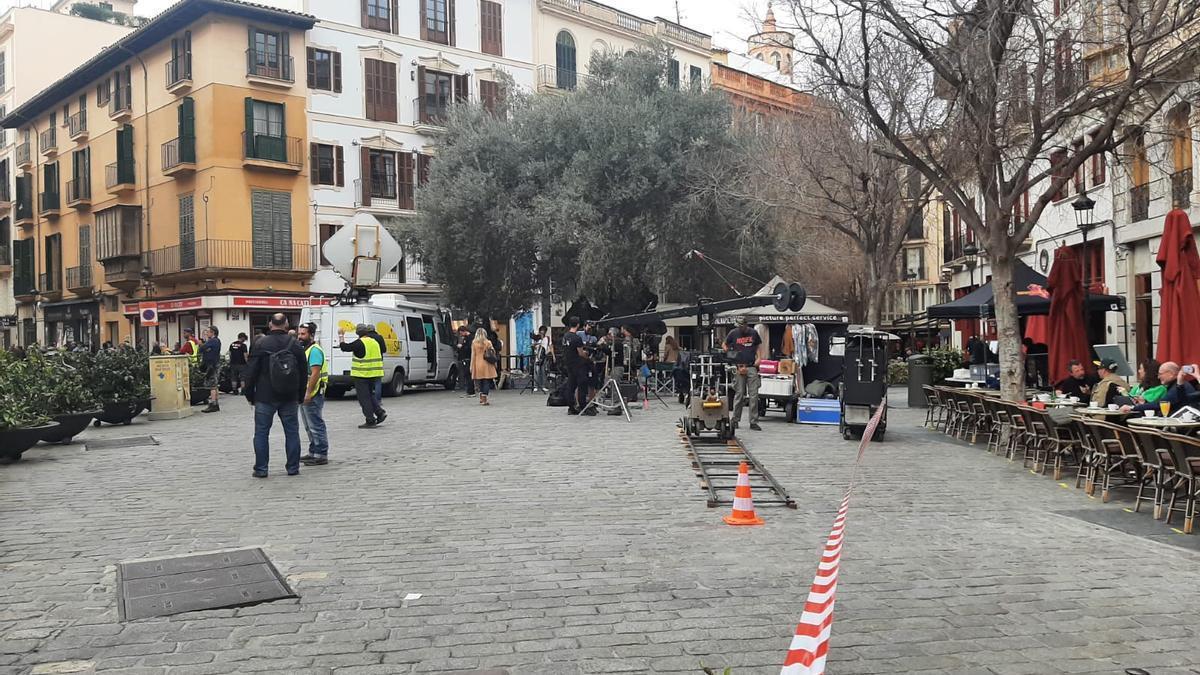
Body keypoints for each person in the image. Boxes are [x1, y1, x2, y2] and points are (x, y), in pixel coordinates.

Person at [242, 313, 308, 478]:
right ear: (286, 325)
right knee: (292, 432)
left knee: (261, 433)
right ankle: (293, 467)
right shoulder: (295, 344)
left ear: (270, 324)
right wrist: (300, 395)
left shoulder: (260, 344)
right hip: (289, 395)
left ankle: (261, 469)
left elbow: (251, 372)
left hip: (265, 395)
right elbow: (302, 372)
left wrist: (250, 395)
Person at [338, 323, 387, 428]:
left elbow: (345, 347)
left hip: (362, 374)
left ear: (357, 333)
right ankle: (380, 412)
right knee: (370, 395)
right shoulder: (374, 342)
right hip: (374, 374)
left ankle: (370, 420)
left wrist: (341, 336)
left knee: (364, 398)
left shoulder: (359, 343)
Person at [297, 322, 330, 466]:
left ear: (311, 335)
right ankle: (313, 451)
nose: (300, 336)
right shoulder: (307, 349)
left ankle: (321, 454)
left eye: (303, 334)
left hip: (313, 393)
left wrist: (308, 393)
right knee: (309, 425)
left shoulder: (315, 350)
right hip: (306, 392)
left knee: (315, 425)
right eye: (299, 333)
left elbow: (315, 373)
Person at [725, 316, 763, 431]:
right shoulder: (733, 333)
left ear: (745, 325)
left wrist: (759, 358)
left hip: (751, 366)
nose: (740, 329)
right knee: (739, 394)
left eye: (741, 326)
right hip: (739, 366)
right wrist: (730, 354)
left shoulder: (753, 333)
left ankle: (753, 421)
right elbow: (725, 344)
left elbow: (758, 346)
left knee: (754, 395)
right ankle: (735, 419)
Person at [1121, 362, 1197, 414]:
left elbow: (1161, 404)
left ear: (1171, 374)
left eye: (1160, 374)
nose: (1158, 377)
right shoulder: (1176, 386)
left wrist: (1132, 408)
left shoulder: (1177, 387)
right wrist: (1145, 403)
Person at [563, 316, 593, 415]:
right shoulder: (577, 338)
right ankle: (583, 406)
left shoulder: (565, 336)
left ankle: (571, 407)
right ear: (578, 325)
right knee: (582, 386)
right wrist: (587, 356)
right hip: (578, 365)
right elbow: (580, 353)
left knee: (571, 386)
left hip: (569, 364)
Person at [471, 328, 499, 405]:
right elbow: (492, 352)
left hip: (477, 363)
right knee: (486, 381)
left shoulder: (474, 343)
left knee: (479, 382)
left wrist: (471, 366)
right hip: (487, 364)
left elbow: (473, 355)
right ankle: (484, 399)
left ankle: (481, 397)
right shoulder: (488, 342)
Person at [199, 326, 222, 413]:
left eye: (208, 332)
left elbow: (201, 348)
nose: (206, 334)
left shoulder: (213, 341)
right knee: (215, 385)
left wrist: (204, 347)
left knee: (212, 385)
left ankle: (213, 404)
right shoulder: (217, 341)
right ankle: (215, 403)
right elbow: (205, 349)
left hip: (212, 365)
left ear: (212, 333)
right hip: (215, 364)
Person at [455, 325, 476, 396]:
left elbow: (469, 348)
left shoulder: (470, 338)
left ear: (463, 331)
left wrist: (462, 346)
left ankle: (471, 391)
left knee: (468, 374)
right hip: (466, 358)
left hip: (468, 358)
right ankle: (469, 390)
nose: (461, 335)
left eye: (461, 333)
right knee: (467, 375)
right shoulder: (467, 338)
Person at [533, 325, 554, 392]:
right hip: (537, 356)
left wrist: (553, 355)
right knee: (537, 371)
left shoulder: (547, 338)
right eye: (541, 331)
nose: (542, 332)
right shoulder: (537, 338)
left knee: (543, 371)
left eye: (543, 331)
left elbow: (550, 346)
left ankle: (543, 385)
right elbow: (533, 346)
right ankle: (536, 386)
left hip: (544, 356)